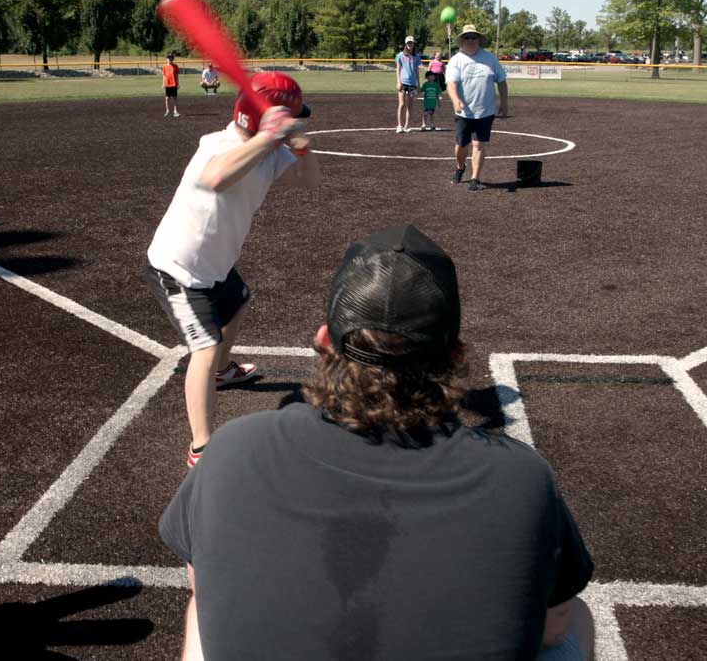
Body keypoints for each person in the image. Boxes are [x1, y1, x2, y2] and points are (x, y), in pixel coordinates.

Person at [160, 223, 596, 660]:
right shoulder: (520, 476)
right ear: (455, 355)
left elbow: (204, 581)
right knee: (574, 620)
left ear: (324, 341)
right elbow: (555, 624)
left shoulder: (232, 449)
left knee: (203, 610)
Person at [145, 72, 321, 468]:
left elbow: (309, 184)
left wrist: (302, 148)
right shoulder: (217, 145)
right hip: (179, 268)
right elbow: (216, 177)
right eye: (290, 119)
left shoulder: (271, 152)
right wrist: (266, 136)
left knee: (238, 305)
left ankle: (224, 372)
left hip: (216, 265)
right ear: (262, 123)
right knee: (203, 348)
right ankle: (200, 446)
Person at [446, 24, 509, 192]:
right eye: (467, 37)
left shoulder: (490, 59)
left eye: (474, 37)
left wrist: (504, 102)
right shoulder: (456, 60)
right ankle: (460, 167)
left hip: (485, 111)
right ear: (462, 40)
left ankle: (475, 179)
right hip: (464, 112)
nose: (471, 40)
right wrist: (455, 100)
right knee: (462, 145)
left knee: (478, 145)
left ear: (479, 39)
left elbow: (501, 81)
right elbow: (451, 84)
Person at [395, 35, 422, 133]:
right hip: (403, 83)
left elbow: (416, 71)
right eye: (408, 43)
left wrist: (418, 84)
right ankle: (399, 125)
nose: (410, 44)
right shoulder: (400, 55)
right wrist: (398, 82)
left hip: (412, 84)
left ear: (414, 44)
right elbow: (398, 69)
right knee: (401, 104)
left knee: (410, 106)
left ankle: (406, 125)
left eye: (412, 43)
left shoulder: (416, 57)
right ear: (406, 44)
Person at [163, 52, 181, 117]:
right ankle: (167, 110)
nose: (170, 59)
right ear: (167, 59)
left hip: (174, 84)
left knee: (175, 98)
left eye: (171, 58)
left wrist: (178, 83)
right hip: (167, 84)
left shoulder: (175, 66)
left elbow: (177, 75)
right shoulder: (164, 66)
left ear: (173, 59)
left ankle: (175, 111)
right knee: (167, 98)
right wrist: (163, 83)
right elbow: (164, 75)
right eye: (169, 58)